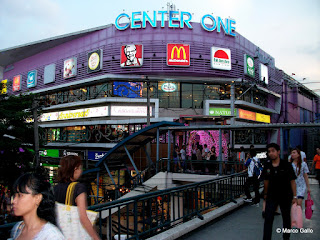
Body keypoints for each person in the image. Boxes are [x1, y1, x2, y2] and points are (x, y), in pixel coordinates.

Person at [54, 155, 101, 240]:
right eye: (79, 168)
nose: (81, 171)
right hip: (73, 234)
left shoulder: (55, 188)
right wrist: (96, 237)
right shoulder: (78, 188)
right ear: (74, 169)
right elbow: (83, 217)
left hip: (59, 233)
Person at [11, 173, 64, 240]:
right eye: (14, 196)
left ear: (37, 198)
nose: (14, 201)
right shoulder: (17, 228)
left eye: (20, 195)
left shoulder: (52, 235)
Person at [262, 143, 297, 240]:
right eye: (269, 151)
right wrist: (265, 194)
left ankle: (286, 237)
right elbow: (266, 180)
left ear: (278, 152)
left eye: (273, 151)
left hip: (285, 196)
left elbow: (292, 181)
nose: (271, 153)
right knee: (268, 218)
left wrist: (295, 196)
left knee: (286, 218)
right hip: (271, 196)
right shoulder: (267, 165)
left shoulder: (286, 165)